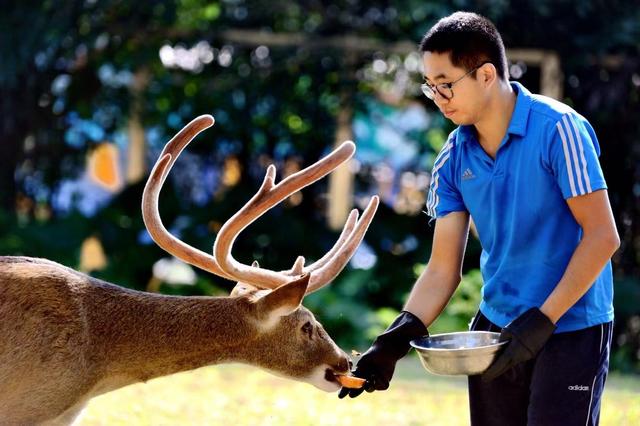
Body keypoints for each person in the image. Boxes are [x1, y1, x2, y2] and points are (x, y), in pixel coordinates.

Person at [339, 11, 619, 426]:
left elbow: (602, 237)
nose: (437, 98)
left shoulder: (560, 130)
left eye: (446, 85)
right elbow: (442, 269)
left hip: (572, 327)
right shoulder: (452, 157)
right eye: (430, 86)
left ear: (486, 75)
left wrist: (543, 320)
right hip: (496, 329)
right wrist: (393, 340)